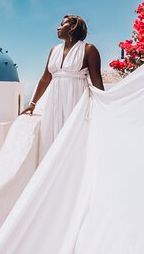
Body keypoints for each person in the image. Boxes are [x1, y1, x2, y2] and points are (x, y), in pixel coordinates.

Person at [21, 14, 104, 156]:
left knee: (74, 141)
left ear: (73, 27)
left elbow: (97, 82)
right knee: (51, 138)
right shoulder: (54, 50)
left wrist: (101, 107)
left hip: (76, 100)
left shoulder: (89, 49)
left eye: (63, 24)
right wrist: (33, 103)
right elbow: (46, 78)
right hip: (53, 102)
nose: (58, 28)